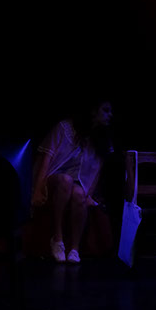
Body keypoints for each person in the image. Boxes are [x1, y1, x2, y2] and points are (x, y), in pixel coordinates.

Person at [31, 98, 114, 263]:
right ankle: (57, 238)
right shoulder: (65, 128)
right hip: (54, 179)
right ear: (93, 111)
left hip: (76, 184)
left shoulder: (101, 139)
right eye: (105, 110)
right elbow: (46, 158)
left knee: (78, 194)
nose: (110, 115)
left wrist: (88, 195)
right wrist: (38, 189)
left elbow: (97, 171)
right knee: (66, 180)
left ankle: (74, 249)